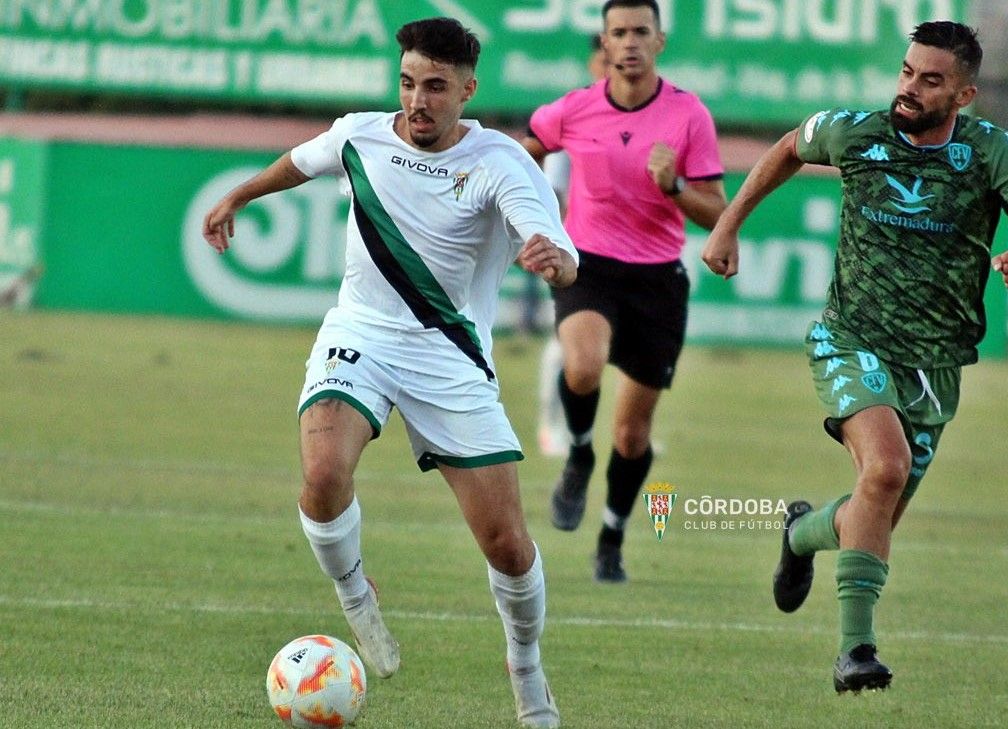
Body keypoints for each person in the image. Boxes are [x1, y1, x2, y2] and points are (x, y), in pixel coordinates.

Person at [202, 17, 576, 728]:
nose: (417, 100)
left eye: (435, 87)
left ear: (467, 89)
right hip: (361, 334)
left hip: (449, 356)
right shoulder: (360, 135)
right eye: (408, 83)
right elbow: (301, 160)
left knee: (506, 542)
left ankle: (525, 663)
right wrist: (239, 196)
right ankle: (354, 597)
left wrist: (557, 260)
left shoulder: (500, 162)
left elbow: (547, 234)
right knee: (321, 473)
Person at [702, 21, 1008, 693]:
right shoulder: (855, 132)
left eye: (929, 80)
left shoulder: (992, 153)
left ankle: (800, 533)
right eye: (906, 72)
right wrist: (727, 224)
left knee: (873, 510)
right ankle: (855, 652)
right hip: (850, 338)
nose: (909, 88)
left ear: (962, 95)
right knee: (887, 466)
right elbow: (787, 148)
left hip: (935, 364)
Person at [522, 0, 727, 583]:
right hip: (589, 267)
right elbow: (520, 156)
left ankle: (611, 535)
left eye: (642, 31)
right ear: (604, 45)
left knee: (634, 434)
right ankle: (578, 454)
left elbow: (715, 213)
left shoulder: (689, 116)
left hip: (658, 280)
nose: (631, 42)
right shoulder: (575, 109)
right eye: (619, 33)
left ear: (660, 41)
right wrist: (526, 223)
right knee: (581, 366)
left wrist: (675, 185)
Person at [536, 32, 610, 458]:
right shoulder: (576, 116)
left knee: (613, 350)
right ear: (593, 65)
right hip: (577, 252)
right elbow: (554, 192)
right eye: (604, 59)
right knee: (564, 342)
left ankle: (604, 433)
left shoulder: (646, 118)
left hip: (623, 256)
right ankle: (551, 427)